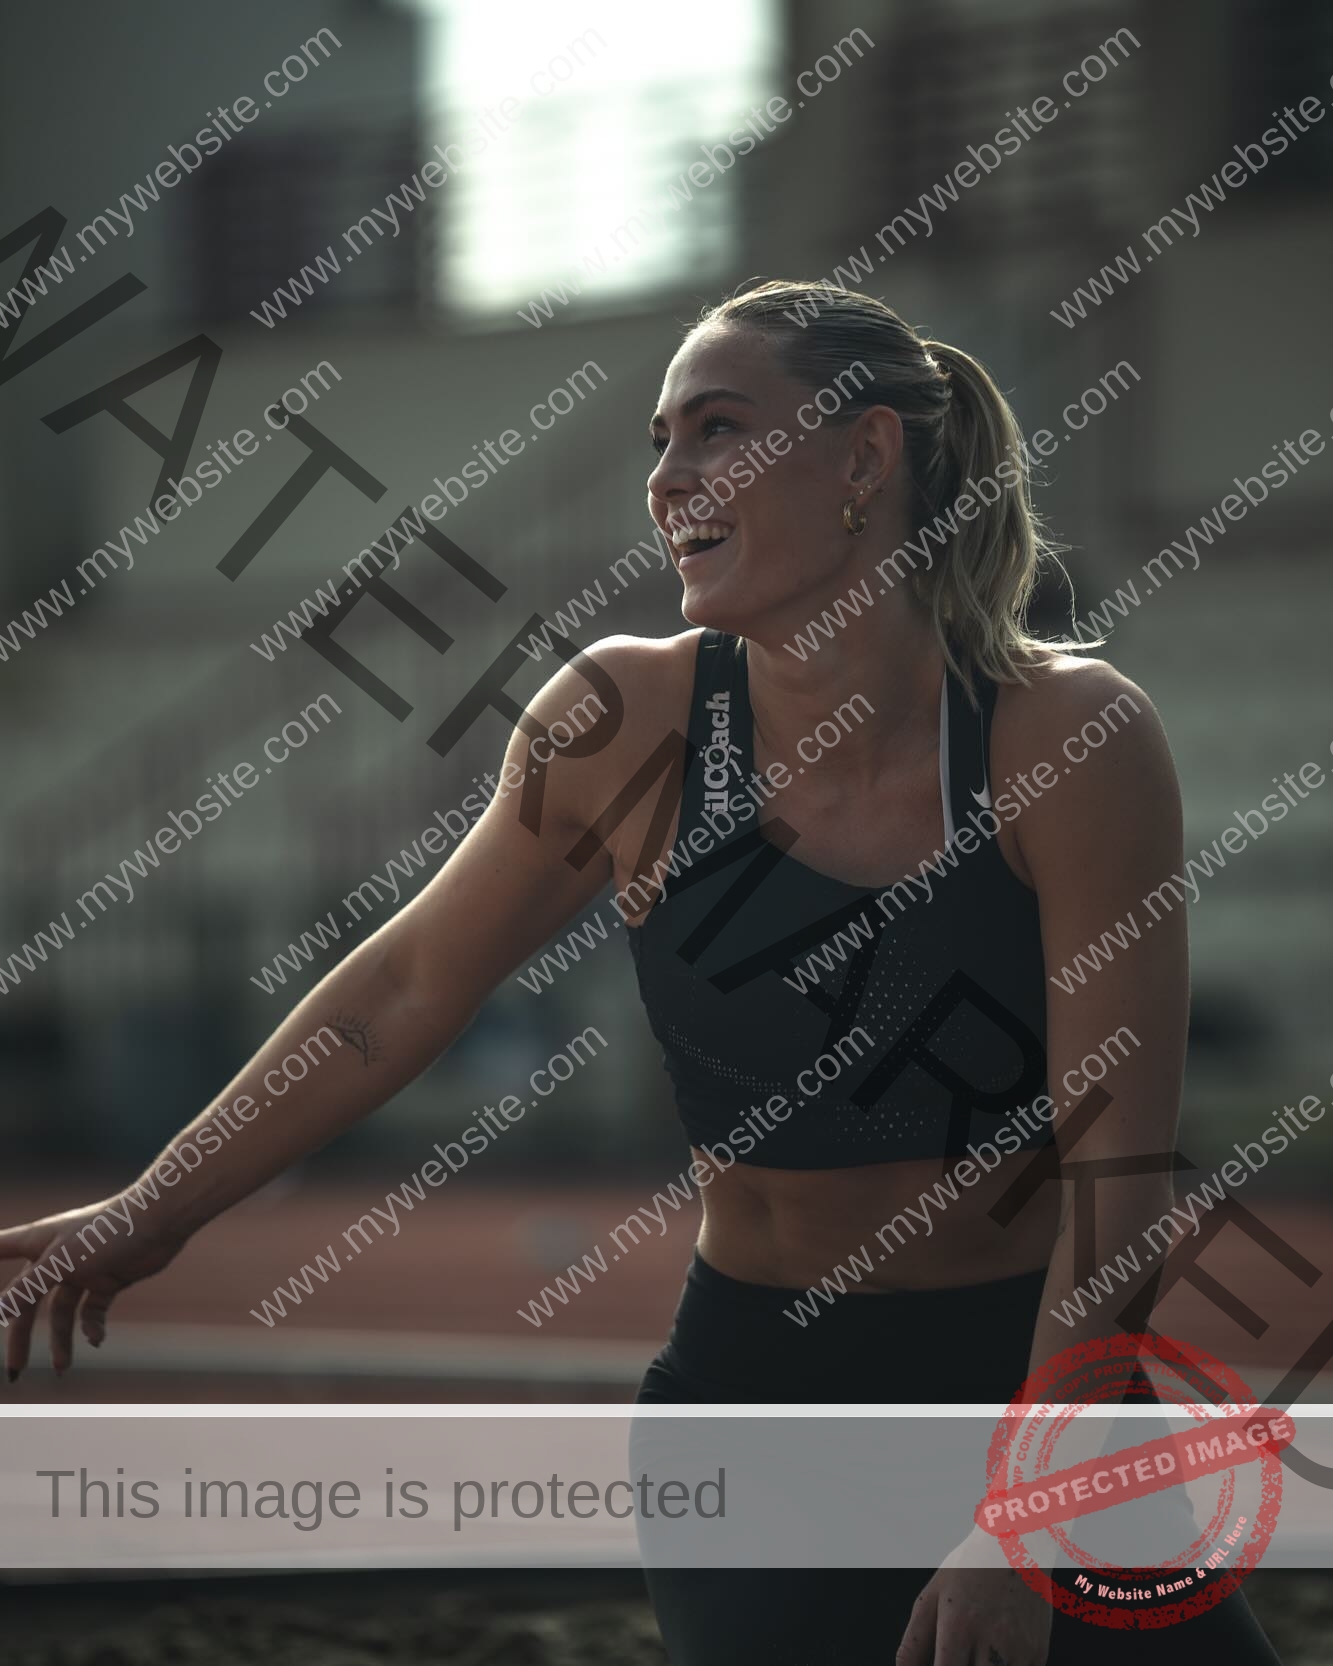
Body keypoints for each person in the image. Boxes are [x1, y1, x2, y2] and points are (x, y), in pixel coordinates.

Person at [0, 280, 1281, 1665]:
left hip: (1036, 1384)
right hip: (753, 1405)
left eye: (717, 428)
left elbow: (1116, 1170)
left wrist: (1028, 1506)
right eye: (658, 441)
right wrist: (151, 1210)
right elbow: (402, 991)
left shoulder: (1068, 735)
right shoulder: (624, 721)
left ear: (866, 456)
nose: (668, 478)